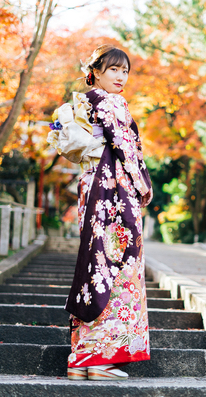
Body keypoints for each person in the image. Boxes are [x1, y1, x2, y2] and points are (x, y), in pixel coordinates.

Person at [63, 45, 153, 381]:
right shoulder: (110, 102)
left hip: (94, 189)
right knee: (117, 266)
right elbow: (125, 146)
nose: (120, 76)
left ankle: (82, 357)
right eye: (113, 69)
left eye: (125, 71)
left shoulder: (88, 101)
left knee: (96, 266)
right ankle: (99, 361)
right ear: (96, 72)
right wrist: (143, 183)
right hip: (113, 190)